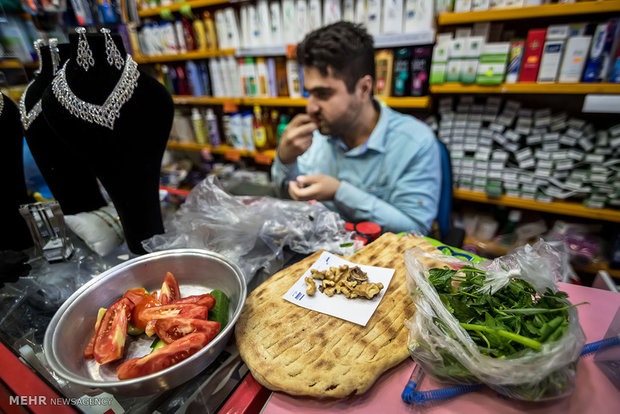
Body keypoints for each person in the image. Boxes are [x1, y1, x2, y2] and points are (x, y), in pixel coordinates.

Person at [271, 22, 441, 235]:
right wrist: (285, 161)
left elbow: (415, 231)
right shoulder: (315, 136)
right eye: (309, 93)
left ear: (364, 88)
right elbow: (288, 202)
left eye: (323, 94)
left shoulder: (415, 143)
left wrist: (339, 192)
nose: (311, 107)